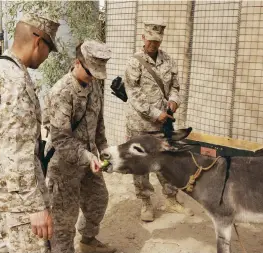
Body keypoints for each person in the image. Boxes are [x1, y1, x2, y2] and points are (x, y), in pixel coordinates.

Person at [0, 14, 60, 252]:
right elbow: (17, 149)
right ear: (38, 41)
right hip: (17, 200)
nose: (47, 56)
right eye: (49, 49)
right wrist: (35, 208)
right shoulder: (15, 80)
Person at [44, 40, 116, 253]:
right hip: (63, 165)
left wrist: (104, 149)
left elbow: (98, 123)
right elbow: (61, 139)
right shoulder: (62, 92)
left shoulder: (93, 84)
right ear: (77, 63)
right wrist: (87, 155)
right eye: (89, 71)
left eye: (96, 73)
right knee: (64, 221)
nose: (93, 77)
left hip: (89, 160)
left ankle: (88, 240)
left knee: (99, 200)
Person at [124, 20, 194, 222]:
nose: (154, 44)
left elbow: (176, 87)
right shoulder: (134, 62)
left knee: (165, 160)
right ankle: (146, 202)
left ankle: (171, 199)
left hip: (162, 125)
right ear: (143, 37)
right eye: (151, 40)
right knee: (140, 164)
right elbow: (133, 94)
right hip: (139, 123)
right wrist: (155, 113)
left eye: (157, 41)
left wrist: (173, 102)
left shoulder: (169, 61)